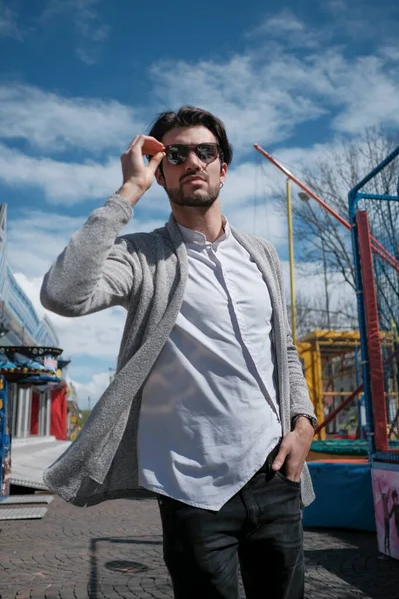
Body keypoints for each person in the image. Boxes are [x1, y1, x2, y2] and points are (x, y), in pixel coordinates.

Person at [41, 106, 317, 599]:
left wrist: (304, 423)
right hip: (194, 491)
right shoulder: (142, 255)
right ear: (161, 170)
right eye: (176, 153)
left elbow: (285, 350)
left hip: (277, 476)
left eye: (205, 151)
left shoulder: (262, 254)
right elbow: (63, 293)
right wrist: (127, 192)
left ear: (223, 168)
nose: (193, 160)